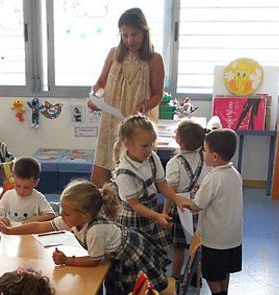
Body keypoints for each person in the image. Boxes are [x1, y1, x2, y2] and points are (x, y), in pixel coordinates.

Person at [0, 180, 167, 295]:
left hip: (130, 255)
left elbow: (95, 260)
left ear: (85, 216)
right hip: (116, 251)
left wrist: (67, 260)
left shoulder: (95, 231)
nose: (62, 216)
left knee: (133, 292)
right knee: (112, 284)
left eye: (66, 213)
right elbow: (41, 226)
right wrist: (11, 230)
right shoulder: (72, 219)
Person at [88, 8, 165, 187]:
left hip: (135, 125)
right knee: (100, 179)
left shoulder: (154, 60)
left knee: (130, 179)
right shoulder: (114, 54)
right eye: (125, 35)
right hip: (110, 121)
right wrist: (96, 97)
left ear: (144, 32)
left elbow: (157, 94)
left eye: (134, 34)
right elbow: (100, 83)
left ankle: (130, 213)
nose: (129, 40)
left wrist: (143, 107)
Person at [180, 129, 243, 295]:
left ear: (214, 157)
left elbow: (197, 205)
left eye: (205, 150)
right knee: (224, 271)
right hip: (232, 236)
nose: (202, 153)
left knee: (212, 272)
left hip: (214, 237)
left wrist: (182, 200)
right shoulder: (234, 173)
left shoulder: (213, 177)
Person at [112, 114, 189, 265]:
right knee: (137, 262)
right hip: (134, 220)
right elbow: (135, 205)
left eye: (152, 144)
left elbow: (162, 184)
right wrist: (157, 216)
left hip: (151, 214)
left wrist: (177, 199)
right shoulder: (124, 172)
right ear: (127, 144)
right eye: (145, 146)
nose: (150, 149)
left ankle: (151, 287)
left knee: (154, 259)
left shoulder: (152, 157)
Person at [162, 119, 207, 279]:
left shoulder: (175, 162)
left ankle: (174, 277)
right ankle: (195, 276)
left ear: (178, 139)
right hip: (200, 204)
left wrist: (165, 211)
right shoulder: (205, 158)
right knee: (198, 243)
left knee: (179, 247)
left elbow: (171, 191)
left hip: (181, 207)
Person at [0, 157, 55, 228]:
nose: (21, 191)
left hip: (30, 232)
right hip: (11, 232)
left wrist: (32, 220)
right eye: (18, 186)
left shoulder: (38, 198)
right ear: (13, 178)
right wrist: (0, 219)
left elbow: (51, 215)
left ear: (35, 183)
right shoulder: (8, 195)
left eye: (26, 187)